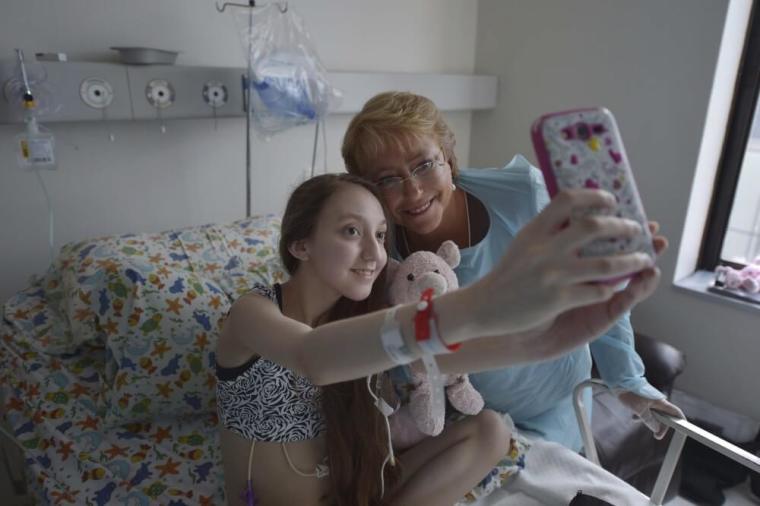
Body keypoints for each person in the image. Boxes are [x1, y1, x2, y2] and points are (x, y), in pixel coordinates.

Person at [215, 173, 659, 505]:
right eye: (351, 231)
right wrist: (481, 303)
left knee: (489, 429)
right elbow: (312, 356)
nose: (374, 254)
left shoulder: (362, 317)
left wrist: (543, 341)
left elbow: (437, 359)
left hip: (356, 495)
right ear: (301, 245)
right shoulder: (253, 315)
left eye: (381, 235)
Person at [341, 91, 683, 451]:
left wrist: (628, 382)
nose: (412, 190)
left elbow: (598, 282)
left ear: (448, 156)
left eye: (424, 165)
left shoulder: (524, 197)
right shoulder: (377, 253)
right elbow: (396, 351)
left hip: (555, 405)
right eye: (387, 179)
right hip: (468, 419)